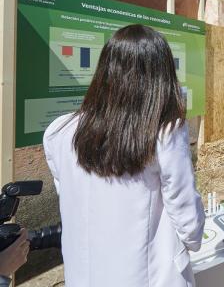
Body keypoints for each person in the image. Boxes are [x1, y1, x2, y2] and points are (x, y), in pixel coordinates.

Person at [43, 24, 205, 286]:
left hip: (83, 275)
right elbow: (184, 208)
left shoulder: (59, 132)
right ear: (161, 76)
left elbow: (68, 194)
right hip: (147, 274)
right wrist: (194, 239)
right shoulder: (165, 133)